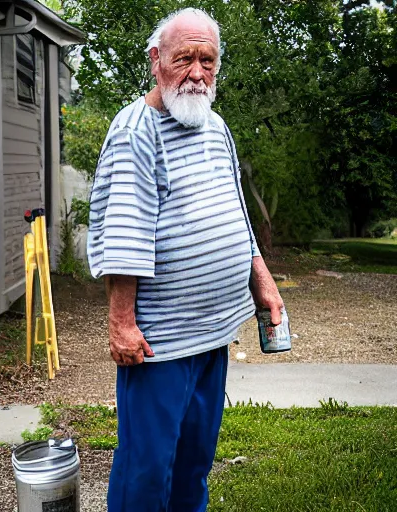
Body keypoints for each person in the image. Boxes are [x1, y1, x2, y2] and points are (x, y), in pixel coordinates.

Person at [87, 8, 284, 512]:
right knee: (147, 471)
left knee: (195, 464)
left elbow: (234, 210)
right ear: (156, 60)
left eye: (207, 60)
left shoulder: (215, 126)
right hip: (159, 344)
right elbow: (125, 232)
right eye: (184, 59)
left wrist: (261, 278)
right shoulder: (136, 131)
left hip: (212, 332)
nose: (197, 73)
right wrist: (121, 323)